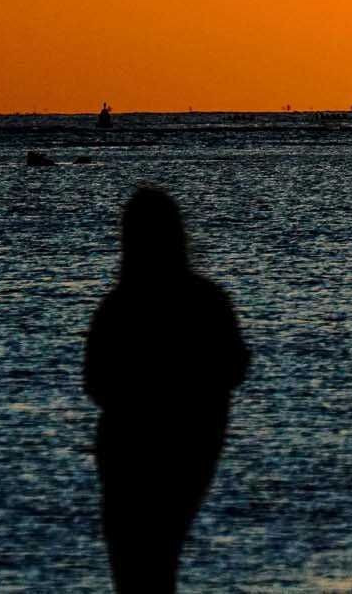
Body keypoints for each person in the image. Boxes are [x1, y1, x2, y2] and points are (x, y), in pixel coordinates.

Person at [85, 187, 249, 592]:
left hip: (130, 451)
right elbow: (235, 367)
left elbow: (95, 383)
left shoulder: (119, 305)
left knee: (133, 566)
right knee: (161, 557)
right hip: (192, 449)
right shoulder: (208, 301)